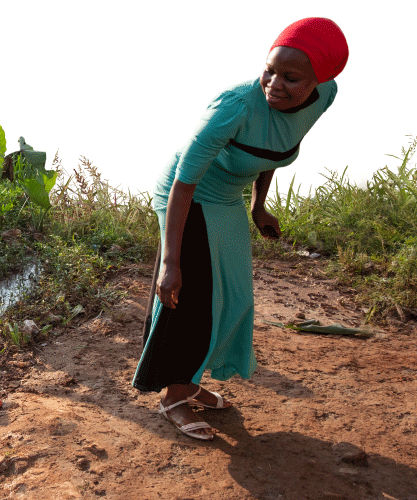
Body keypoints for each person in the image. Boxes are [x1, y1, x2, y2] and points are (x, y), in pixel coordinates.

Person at [133, 17, 350, 440]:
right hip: (189, 196)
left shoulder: (325, 96)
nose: (274, 84)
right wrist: (170, 261)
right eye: (269, 70)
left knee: (234, 295)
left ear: (319, 80)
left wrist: (259, 206)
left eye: (292, 78)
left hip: (228, 196)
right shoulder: (233, 106)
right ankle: (174, 396)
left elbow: (275, 146)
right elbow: (184, 180)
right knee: (190, 295)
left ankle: (191, 381)